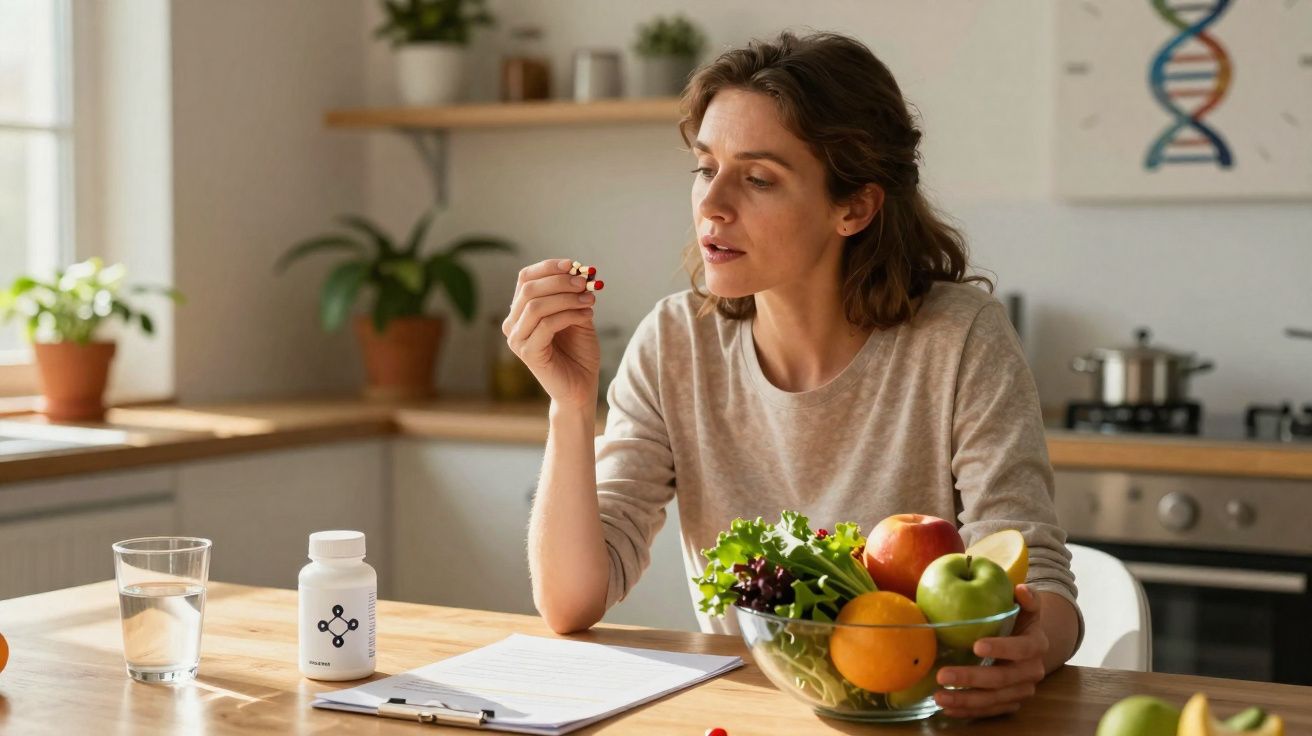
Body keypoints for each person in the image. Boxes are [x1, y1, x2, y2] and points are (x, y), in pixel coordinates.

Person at [501, 31, 1082, 720]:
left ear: (854, 208)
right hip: (748, 716)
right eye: (705, 167)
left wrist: (1030, 649)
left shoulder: (960, 339)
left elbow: (1037, 575)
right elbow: (570, 603)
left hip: (916, 718)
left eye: (758, 178)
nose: (712, 204)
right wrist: (570, 405)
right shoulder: (674, 343)